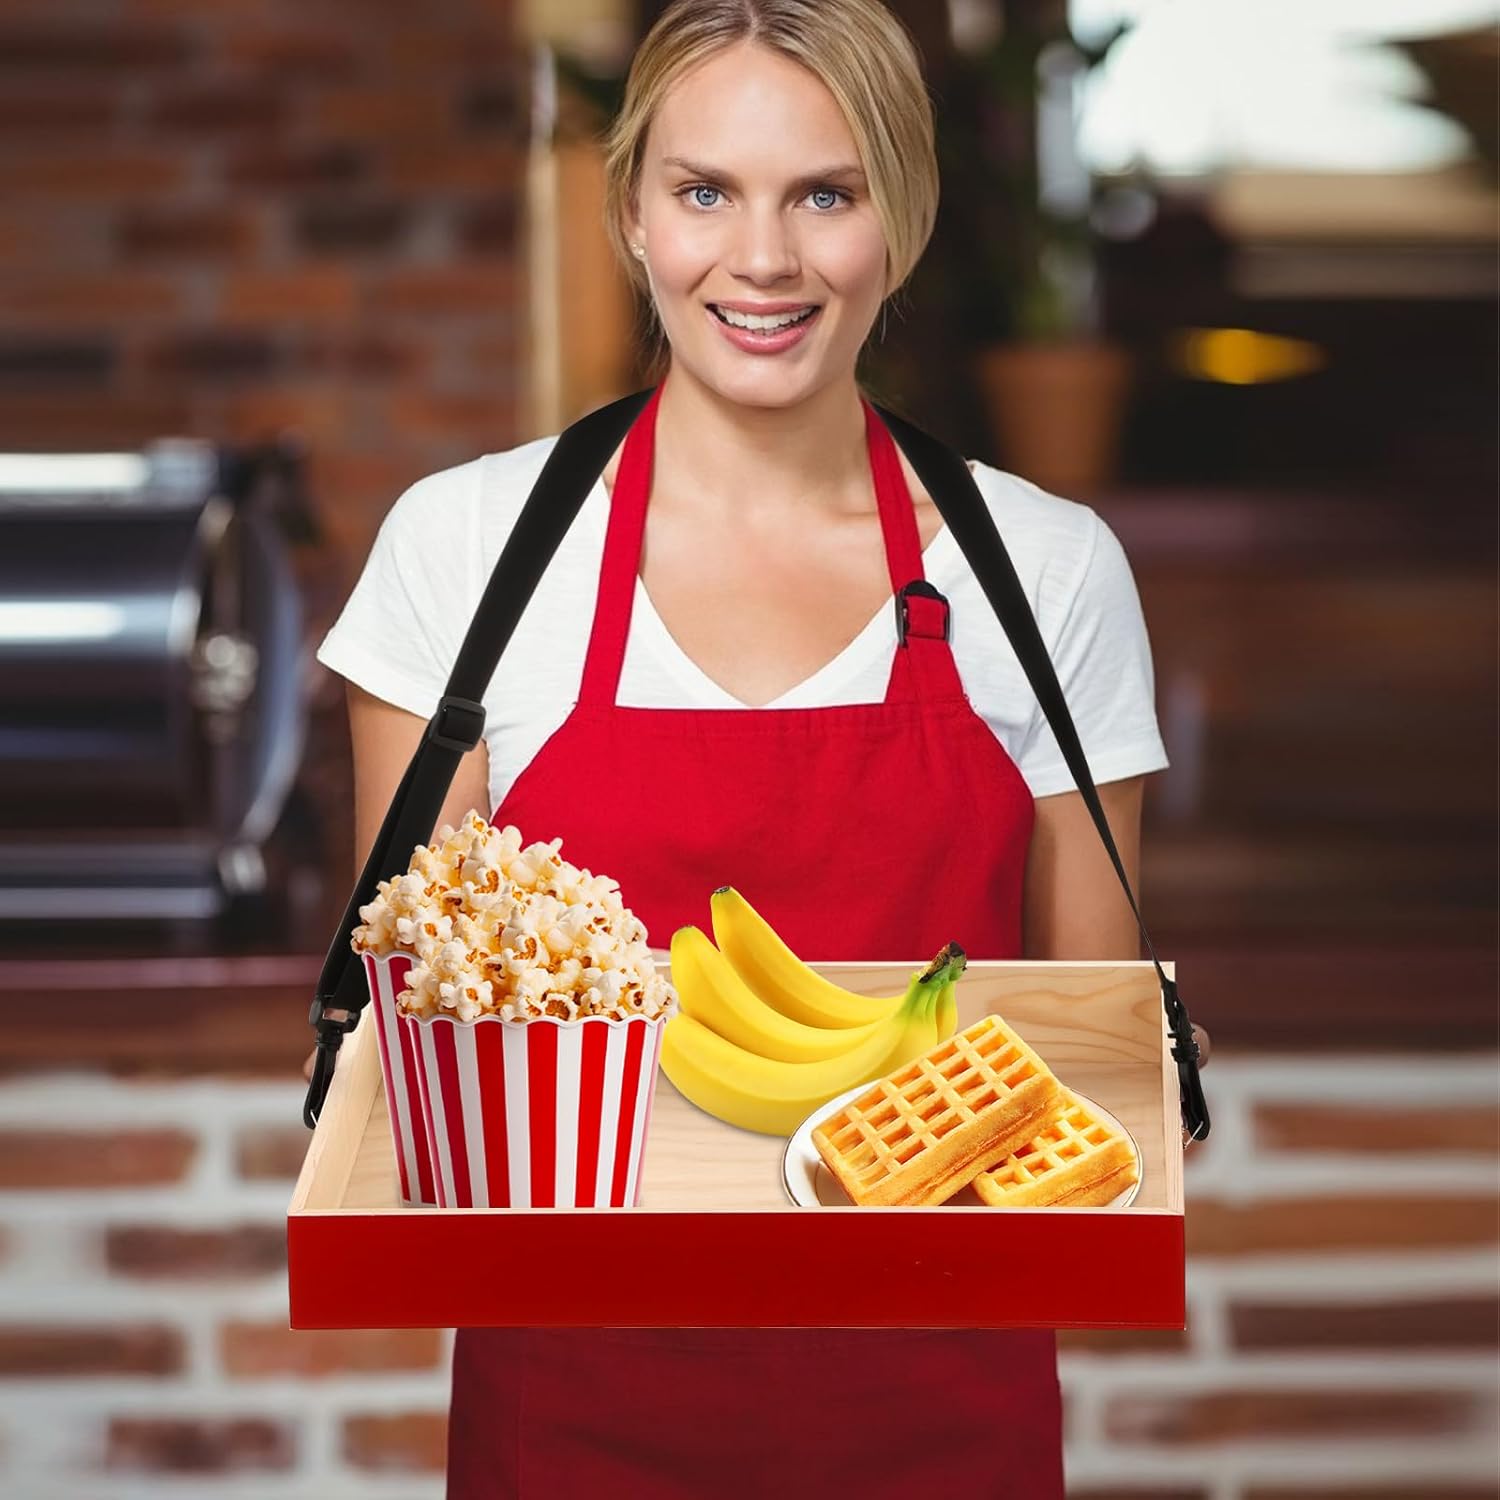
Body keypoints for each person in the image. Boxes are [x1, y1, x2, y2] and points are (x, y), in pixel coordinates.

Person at [313, 1, 1208, 1493]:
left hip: (945, 1414)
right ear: (631, 215)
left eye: (827, 194)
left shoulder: (1045, 573)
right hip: (572, 1415)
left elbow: (1081, 1056)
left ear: (900, 224)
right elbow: (431, 1051)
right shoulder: (466, 554)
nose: (767, 259)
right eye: (705, 190)